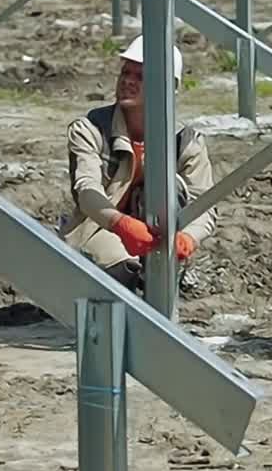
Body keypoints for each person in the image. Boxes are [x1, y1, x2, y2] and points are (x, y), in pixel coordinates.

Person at [61, 35, 217, 290]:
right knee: (122, 271)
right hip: (99, 232)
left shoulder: (186, 142)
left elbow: (205, 205)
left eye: (140, 76)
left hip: (161, 237)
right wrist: (120, 224)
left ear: (167, 87)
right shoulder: (90, 130)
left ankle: (163, 274)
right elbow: (86, 190)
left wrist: (188, 238)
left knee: (170, 185)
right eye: (125, 72)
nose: (128, 82)